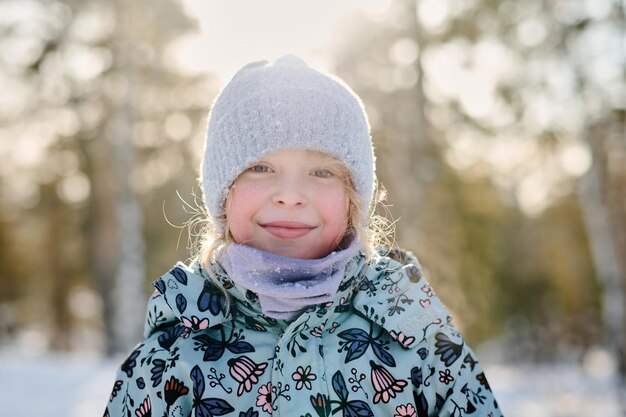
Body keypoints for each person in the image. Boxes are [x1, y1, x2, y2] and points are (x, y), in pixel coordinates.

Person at [104, 55, 502, 417]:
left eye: (322, 172)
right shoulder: (177, 352)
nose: (291, 196)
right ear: (223, 194)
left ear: (353, 200)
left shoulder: (415, 335)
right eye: (260, 168)